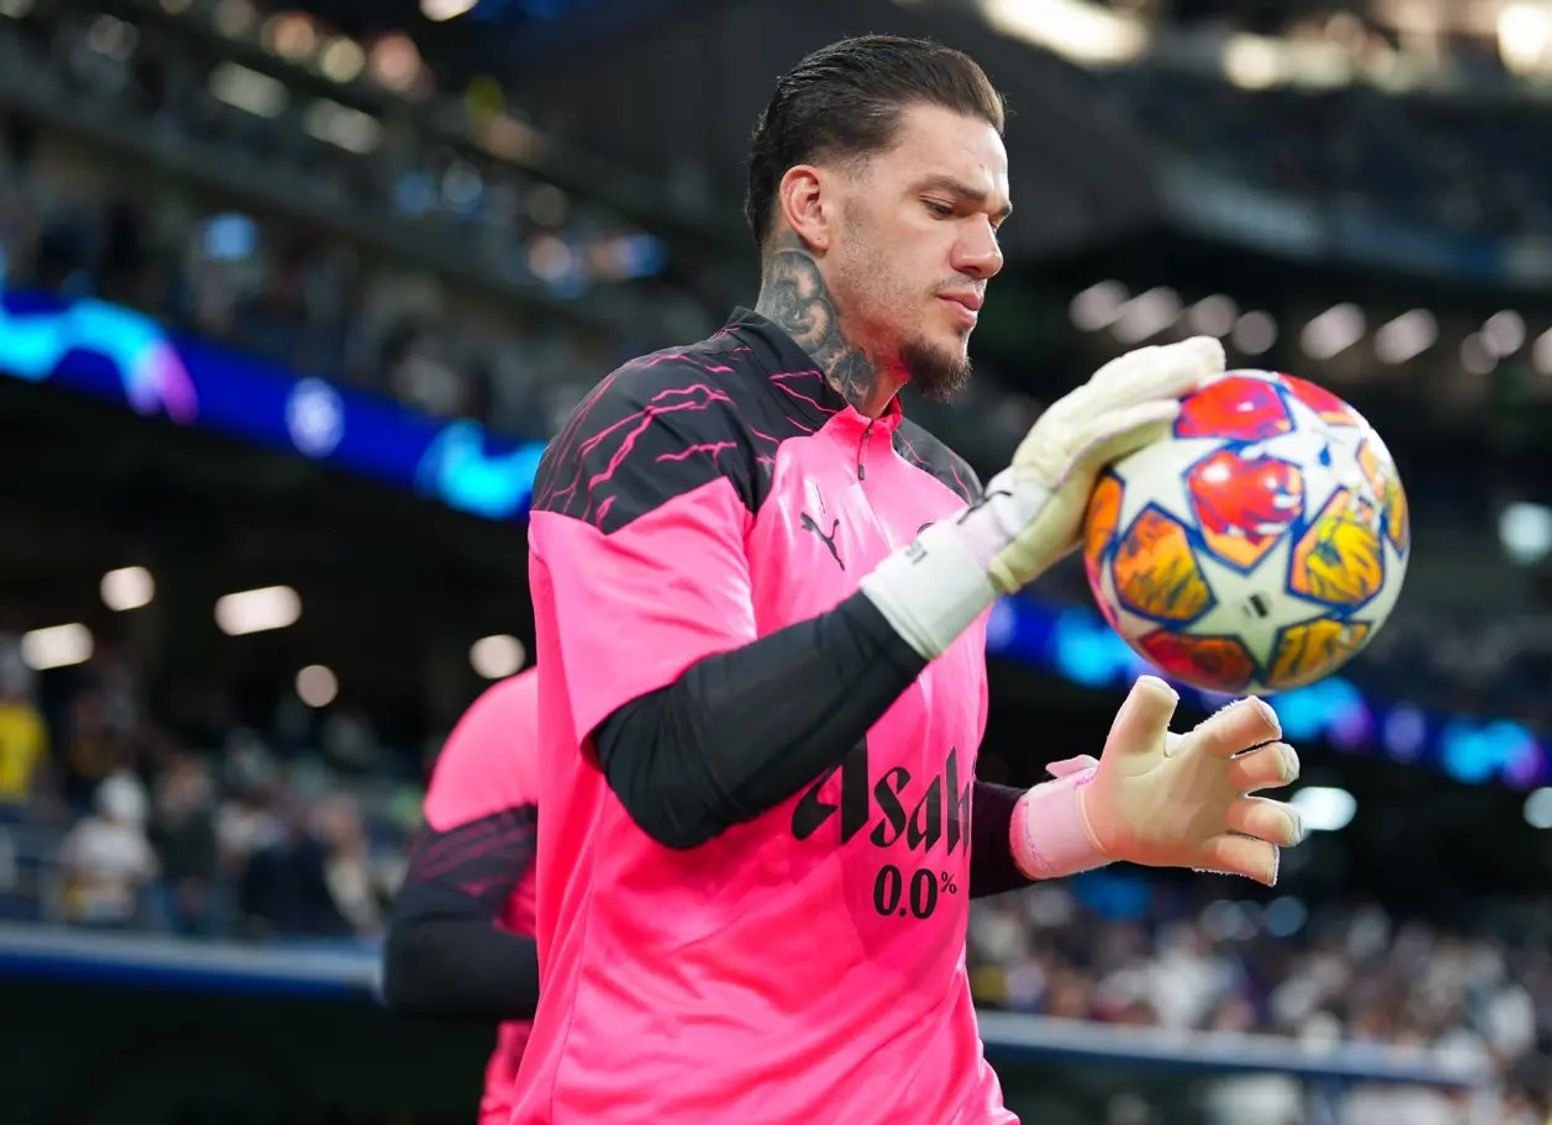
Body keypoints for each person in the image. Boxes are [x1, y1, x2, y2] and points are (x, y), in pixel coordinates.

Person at [515, 35, 1304, 1124]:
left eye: (994, 219)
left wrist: (1084, 821)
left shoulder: (941, 488)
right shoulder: (662, 429)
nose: (985, 252)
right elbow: (676, 769)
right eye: (944, 206)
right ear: (813, 206)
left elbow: (879, 822)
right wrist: (1001, 536)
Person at [380, 668, 541, 1125]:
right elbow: (422, 954)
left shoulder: (754, 715)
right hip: (564, 1104)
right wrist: (648, 973)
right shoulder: (530, 713)